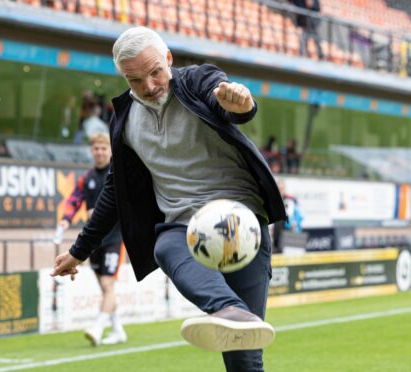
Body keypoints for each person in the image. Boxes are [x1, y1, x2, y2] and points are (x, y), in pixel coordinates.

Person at [51, 27, 286, 371]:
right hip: (183, 227)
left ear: (169, 60)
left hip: (242, 224)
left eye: (156, 72)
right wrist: (79, 251)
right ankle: (227, 308)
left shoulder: (196, 82)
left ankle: (232, 315)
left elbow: (229, 104)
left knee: (243, 356)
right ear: (124, 77)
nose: (149, 86)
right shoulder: (124, 120)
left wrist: (243, 104)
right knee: (164, 245)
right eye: (135, 80)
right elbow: (115, 192)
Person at [55, 133, 127, 346]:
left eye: (104, 148)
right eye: (96, 148)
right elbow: (74, 200)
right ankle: (118, 330)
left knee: (107, 285)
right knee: (105, 287)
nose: (100, 152)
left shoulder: (118, 173)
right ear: (91, 151)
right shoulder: (86, 179)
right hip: (94, 241)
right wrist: (65, 220)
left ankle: (98, 327)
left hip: (115, 237)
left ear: (110, 150)